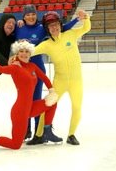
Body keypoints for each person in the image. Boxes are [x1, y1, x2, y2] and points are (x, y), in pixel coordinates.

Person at [0, 4, 80, 143]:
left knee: (37, 99)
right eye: (27, 15)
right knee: (25, 100)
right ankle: (26, 129)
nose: (31, 16)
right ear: (24, 17)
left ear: (36, 15)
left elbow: (63, 28)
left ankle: (40, 133)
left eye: (33, 14)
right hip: (21, 69)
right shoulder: (19, 27)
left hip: (37, 67)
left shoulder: (41, 29)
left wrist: (76, 20)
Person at [0, 40, 61, 151]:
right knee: (16, 144)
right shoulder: (15, 67)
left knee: (52, 102)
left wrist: (51, 90)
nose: (24, 53)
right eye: (21, 51)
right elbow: (1, 69)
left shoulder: (33, 66)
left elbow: (44, 78)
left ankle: (47, 131)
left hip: (30, 108)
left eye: (27, 51)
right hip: (20, 111)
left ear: (30, 53)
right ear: (17, 53)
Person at [31, 9, 91, 145]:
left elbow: (86, 28)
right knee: (47, 106)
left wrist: (85, 17)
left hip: (76, 81)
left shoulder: (70, 34)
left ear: (60, 24)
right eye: (50, 26)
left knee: (77, 107)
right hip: (59, 82)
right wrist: (15, 56)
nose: (54, 27)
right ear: (47, 29)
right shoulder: (47, 45)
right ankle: (39, 135)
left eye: (56, 24)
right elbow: (31, 52)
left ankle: (71, 134)